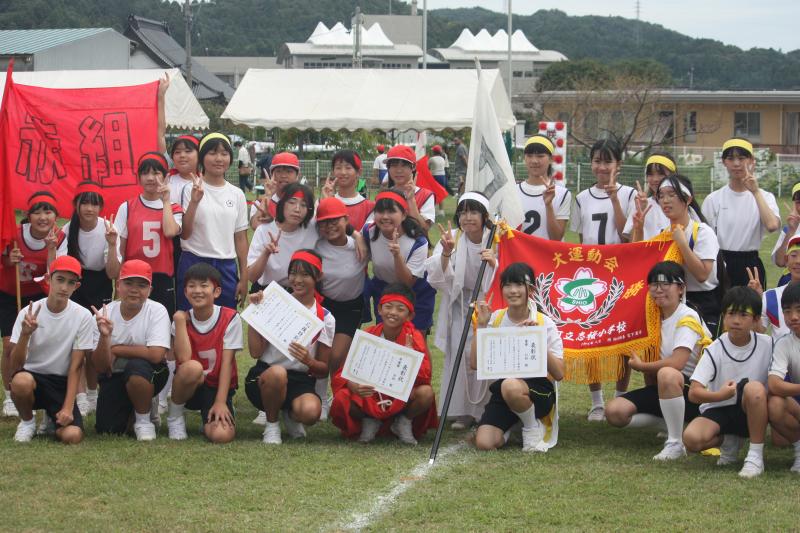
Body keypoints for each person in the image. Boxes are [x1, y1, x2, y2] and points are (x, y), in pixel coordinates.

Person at [605, 261, 712, 460]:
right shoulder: (653, 317)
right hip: (668, 390)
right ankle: (677, 425)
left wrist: (642, 366)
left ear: (681, 289)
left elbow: (677, 363)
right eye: (654, 284)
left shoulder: (687, 317)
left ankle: (675, 442)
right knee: (614, 412)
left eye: (665, 284)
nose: (658, 289)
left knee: (668, 373)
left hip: (697, 392)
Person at [570, 139, 637, 421]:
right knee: (591, 338)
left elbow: (627, 234)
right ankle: (597, 401)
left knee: (623, 337)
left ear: (618, 165)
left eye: (607, 161)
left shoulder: (630, 194)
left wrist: (613, 199)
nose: (602, 167)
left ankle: (620, 398)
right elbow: (580, 239)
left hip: (620, 272)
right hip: (591, 273)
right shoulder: (582, 197)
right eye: (597, 161)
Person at [471, 263, 565, 452]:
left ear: (530, 289)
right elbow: (475, 364)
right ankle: (514, 426)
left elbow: (559, 373)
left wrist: (536, 338)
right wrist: (480, 326)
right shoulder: (495, 319)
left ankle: (531, 429)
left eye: (519, 285)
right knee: (484, 443)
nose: (513, 291)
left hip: (538, 391)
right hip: (505, 392)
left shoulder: (543, 322)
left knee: (510, 385)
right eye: (507, 285)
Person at [245, 250, 334, 445]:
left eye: (305, 274)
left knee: (311, 413)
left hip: (299, 379)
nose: (297, 279)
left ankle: (290, 415)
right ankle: (272, 424)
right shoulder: (274, 302)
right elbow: (255, 352)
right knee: (277, 373)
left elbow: (323, 369)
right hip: (265, 375)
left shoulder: (325, 317)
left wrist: (308, 361)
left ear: (317, 277)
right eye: (293, 273)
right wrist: (254, 314)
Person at [682, 286, 772, 478]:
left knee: (754, 389)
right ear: (723, 317)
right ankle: (728, 441)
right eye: (731, 314)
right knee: (691, 439)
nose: (736, 321)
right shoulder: (715, 348)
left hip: (752, 409)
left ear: (756, 320)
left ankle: (755, 457)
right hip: (720, 409)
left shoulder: (768, 344)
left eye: (743, 315)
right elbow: (694, 392)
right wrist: (719, 395)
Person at [330, 283, 437, 444]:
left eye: (400, 309)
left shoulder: (414, 338)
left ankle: (403, 421)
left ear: (409, 316)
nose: (393, 313)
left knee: (426, 393)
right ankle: (369, 419)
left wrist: (410, 357)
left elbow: (425, 376)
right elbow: (345, 373)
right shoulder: (368, 335)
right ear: (379, 310)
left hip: (401, 398)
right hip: (370, 394)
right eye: (388, 307)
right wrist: (354, 386)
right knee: (341, 397)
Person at [425, 192, 496, 429]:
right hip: (460, 306)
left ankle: (488, 410)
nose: (467, 218)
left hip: (489, 307)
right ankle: (464, 411)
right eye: (463, 212)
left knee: (486, 357)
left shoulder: (496, 238)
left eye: (473, 212)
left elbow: (508, 275)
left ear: (484, 216)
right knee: (461, 356)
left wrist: (495, 263)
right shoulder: (452, 237)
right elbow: (437, 276)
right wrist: (446, 252)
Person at [8, 256, 95, 444]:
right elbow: (15, 365)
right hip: (32, 377)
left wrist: (67, 407)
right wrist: (25, 335)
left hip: (60, 383)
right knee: (21, 381)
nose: (64, 287)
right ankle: (27, 422)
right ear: (48, 279)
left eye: (71, 283)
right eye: (60, 280)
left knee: (73, 436)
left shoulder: (83, 316)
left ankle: (52, 421)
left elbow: (76, 366)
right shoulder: (28, 312)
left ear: (76, 287)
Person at [57, 180, 120, 415]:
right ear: (76, 205)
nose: (89, 209)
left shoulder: (108, 228)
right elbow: (59, 267)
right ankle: (80, 394)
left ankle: (93, 393)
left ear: (101, 207)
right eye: (84, 203)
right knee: (76, 343)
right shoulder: (67, 229)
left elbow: (113, 273)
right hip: (75, 283)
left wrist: (112, 245)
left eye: (94, 204)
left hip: (100, 284)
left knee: (95, 341)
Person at [632, 174, 722, 336]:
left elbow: (702, 274)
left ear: (687, 200)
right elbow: (641, 262)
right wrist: (638, 230)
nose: (665, 200)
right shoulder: (664, 234)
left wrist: (682, 243)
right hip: (671, 304)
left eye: (672, 195)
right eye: (661, 196)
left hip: (703, 303)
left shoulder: (702, 232)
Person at [92, 260, 170, 441]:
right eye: (128, 283)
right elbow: (100, 366)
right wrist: (105, 338)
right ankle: (133, 412)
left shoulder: (157, 310)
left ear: (150, 290)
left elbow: (156, 354)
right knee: (108, 429)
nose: (134, 290)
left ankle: (143, 420)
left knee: (136, 369)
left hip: (149, 372)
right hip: (115, 374)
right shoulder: (104, 313)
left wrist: (117, 349)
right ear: (118, 286)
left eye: (142, 285)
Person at [1, 191, 63, 418]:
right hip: (10, 293)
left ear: (56, 215)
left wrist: (51, 249)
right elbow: (2, 257)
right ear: (28, 215)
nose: (43, 217)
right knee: (10, 344)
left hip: (38, 296)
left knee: (38, 345)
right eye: (37, 212)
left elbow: (54, 272)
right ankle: (9, 394)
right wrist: (9, 259)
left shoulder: (60, 237)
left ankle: (39, 389)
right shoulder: (14, 234)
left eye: (48, 212)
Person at [167, 263, 242, 443]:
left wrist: (221, 401)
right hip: (191, 384)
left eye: (204, 285)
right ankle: (175, 416)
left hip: (217, 387)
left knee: (221, 436)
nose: (197, 291)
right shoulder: (181, 318)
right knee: (192, 367)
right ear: (185, 292)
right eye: (191, 286)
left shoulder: (230, 317)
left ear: (216, 292)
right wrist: (179, 322)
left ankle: (209, 416)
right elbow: (183, 359)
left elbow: (226, 363)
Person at [179, 132, 249, 311]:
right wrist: (195, 201)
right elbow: (185, 233)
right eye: (212, 153)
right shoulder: (190, 189)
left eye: (224, 154)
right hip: (194, 262)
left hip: (225, 266)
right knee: (191, 320)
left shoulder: (237, 194)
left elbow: (240, 239)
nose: (219, 159)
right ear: (202, 158)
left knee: (225, 321)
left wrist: (244, 277)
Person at [701, 138, 780, 288]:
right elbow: (704, 237)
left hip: (750, 264)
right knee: (723, 310)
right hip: (722, 262)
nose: (736, 164)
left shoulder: (765, 196)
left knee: (751, 310)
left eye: (742, 158)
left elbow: (772, 225)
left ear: (751, 161)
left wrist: (755, 191)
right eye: (731, 158)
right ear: (724, 162)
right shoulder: (713, 199)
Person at [115, 152, 183, 317]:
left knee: (163, 325)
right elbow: (120, 250)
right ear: (139, 178)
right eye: (145, 173)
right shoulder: (127, 207)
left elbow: (169, 231)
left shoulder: (174, 207)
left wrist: (165, 200)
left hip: (162, 276)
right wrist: (120, 280)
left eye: (156, 173)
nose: (150, 178)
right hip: (134, 276)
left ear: (166, 176)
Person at [362, 189, 435, 333]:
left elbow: (407, 282)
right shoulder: (368, 231)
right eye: (380, 212)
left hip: (416, 293)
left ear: (404, 215)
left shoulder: (418, 241)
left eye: (391, 212)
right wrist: (357, 237)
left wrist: (397, 255)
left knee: (415, 342)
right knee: (388, 339)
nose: (385, 217)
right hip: (385, 291)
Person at [314, 198, 368, 374]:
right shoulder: (316, 246)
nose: (329, 226)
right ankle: (320, 394)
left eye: (335, 221)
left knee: (336, 356)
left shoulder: (361, 246)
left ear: (346, 220)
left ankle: (335, 392)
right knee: (320, 353)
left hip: (351, 307)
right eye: (324, 223)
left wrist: (358, 236)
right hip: (324, 305)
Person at [766, 281, 800, 473]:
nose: (793, 317)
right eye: (787, 311)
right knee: (774, 403)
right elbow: (774, 385)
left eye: (799, 310)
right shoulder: (784, 343)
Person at [517, 135, 571, 240]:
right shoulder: (513, 191)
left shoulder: (562, 194)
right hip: (519, 256)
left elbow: (556, 238)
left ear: (551, 159)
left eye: (540, 156)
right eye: (529, 156)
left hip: (547, 256)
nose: (534, 161)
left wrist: (549, 205)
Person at [752, 235, 800, 339]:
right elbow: (757, 332)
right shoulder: (771, 297)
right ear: (786, 260)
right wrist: (755, 301)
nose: (798, 261)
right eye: (794, 255)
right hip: (780, 354)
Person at [622, 152, 677, 241]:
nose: (655, 179)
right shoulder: (640, 205)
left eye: (660, 174)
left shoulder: (683, 206)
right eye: (650, 174)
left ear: (673, 175)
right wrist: (640, 212)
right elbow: (632, 243)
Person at [385, 145, 435, 232]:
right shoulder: (385, 195)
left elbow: (424, 228)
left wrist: (411, 200)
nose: (399, 170)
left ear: (414, 167)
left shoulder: (425, 195)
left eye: (404, 165)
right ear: (388, 168)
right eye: (394, 165)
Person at [320, 149, 375, 231]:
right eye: (338, 168)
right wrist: (327, 203)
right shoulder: (321, 202)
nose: (343, 172)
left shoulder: (370, 208)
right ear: (333, 171)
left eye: (348, 168)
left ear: (359, 172)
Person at [249, 152, 301, 229]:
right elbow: (255, 225)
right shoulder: (260, 202)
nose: (283, 176)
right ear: (271, 175)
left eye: (289, 171)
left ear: (297, 175)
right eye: (278, 171)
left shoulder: (304, 203)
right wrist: (268, 196)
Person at [769, 181, 800, 287]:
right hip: (789, 282)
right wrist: (791, 230)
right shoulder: (789, 229)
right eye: (798, 202)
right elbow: (780, 261)